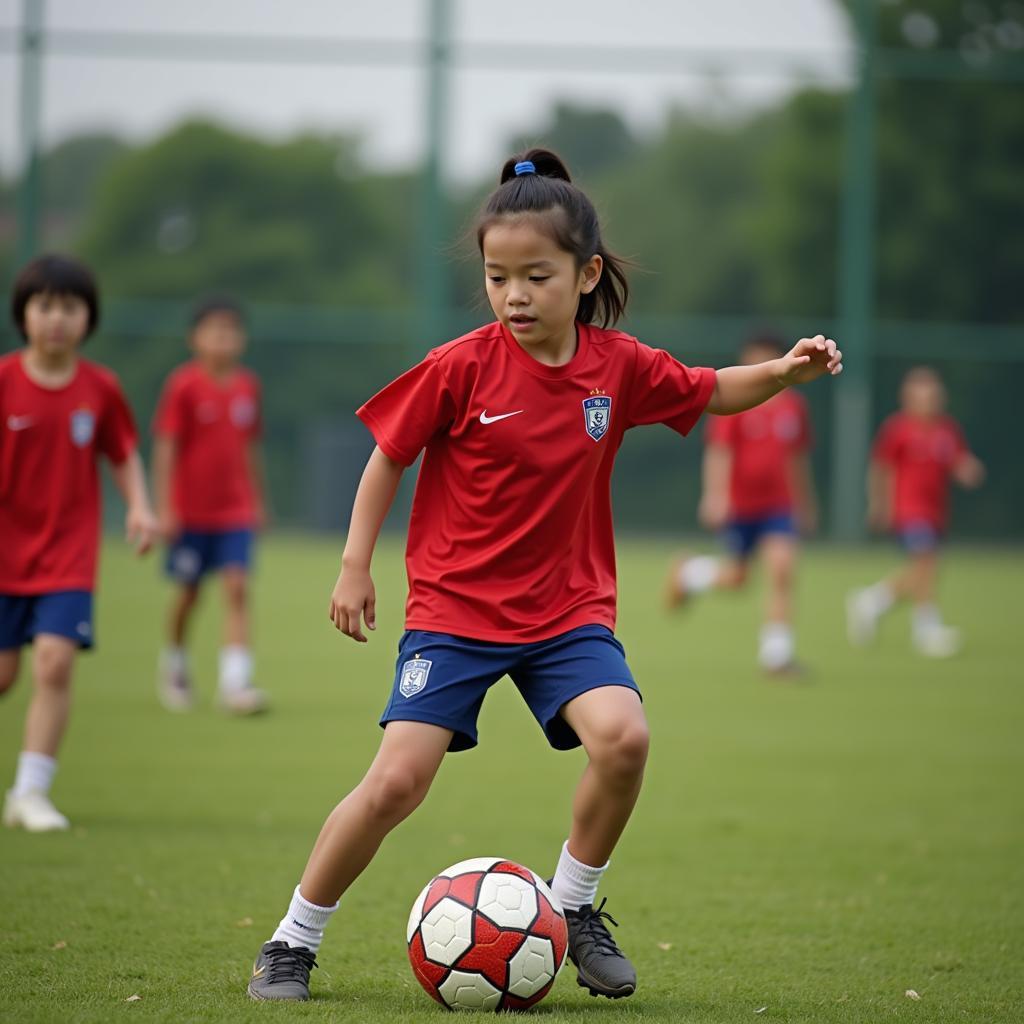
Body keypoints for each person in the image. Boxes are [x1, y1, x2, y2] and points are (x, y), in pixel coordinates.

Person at [245, 149, 843, 1003]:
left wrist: (784, 374)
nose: (515, 295)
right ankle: (291, 942)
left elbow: (711, 390)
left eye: (536, 275)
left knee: (625, 739)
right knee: (396, 783)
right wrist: (353, 566)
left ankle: (573, 910)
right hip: (454, 611)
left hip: (567, 613)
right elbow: (388, 456)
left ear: (586, 272)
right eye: (497, 277)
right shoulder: (462, 366)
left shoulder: (619, 367)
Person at [1, 254, 157, 832]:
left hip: (67, 555)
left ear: (88, 317)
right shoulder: (4, 381)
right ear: (24, 314)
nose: (57, 318)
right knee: (5, 675)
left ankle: (30, 791)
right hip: (5, 555)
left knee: (54, 662)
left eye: (70, 306)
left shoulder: (100, 387)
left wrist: (140, 505)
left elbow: (121, 452)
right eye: (45, 306)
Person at [665, 333, 818, 676]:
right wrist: (715, 496)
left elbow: (797, 459)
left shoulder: (794, 407)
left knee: (781, 568)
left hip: (778, 506)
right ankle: (689, 573)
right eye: (753, 355)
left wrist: (805, 502)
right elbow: (720, 452)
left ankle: (776, 656)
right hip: (741, 506)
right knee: (738, 578)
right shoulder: (735, 402)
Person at [152, 296, 268, 714]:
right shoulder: (182, 385)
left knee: (237, 588)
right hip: (191, 513)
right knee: (189, 594)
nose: (224, 339)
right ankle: (176, 664)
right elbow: (167, 447)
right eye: (215, 331)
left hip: (234, 510)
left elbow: (249, 447)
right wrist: (165, 507)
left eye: (232, 331)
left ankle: (235, 683)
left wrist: (257, 500)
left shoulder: (246, 386)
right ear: (195, 338)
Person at [847, 366, 983, 657]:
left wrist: (967, 469)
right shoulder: (898, 429)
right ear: (908, 397)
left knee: (924, 568)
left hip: (936, 512)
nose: (929, 400)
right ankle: (926, 631)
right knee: (926, 563)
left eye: (933, 394)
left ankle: (871, 602)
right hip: (908, 509)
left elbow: (957, 460)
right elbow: (880, 469)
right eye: (922, 394)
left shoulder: (947, 430)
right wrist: (878, 504)